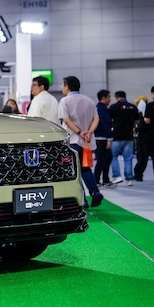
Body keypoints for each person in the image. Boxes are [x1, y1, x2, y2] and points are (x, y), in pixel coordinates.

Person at [59, 76, 103, 208]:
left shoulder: (65, 101)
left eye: (63, 85)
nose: (61, 88)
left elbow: (66, 120)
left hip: (73, 140)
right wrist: (89, 132)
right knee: (85, 168)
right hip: (87, 142)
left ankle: (82, 200)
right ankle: (95, 192)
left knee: (74, 171)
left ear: (67, 86)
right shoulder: (89, 100)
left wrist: (79, 132)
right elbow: (96, 119)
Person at [108, 91, 140, 186]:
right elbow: (137, 121)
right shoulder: (133, 107)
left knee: (114, 156)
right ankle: (129, 178)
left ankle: (117, 176)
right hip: (129, 136)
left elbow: (109, 120)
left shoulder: (113, 107)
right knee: (128, 158)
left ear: (117, 98)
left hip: (116, 136)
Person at [94, 90, 113, 187]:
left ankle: (105, 179)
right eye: (109, 97)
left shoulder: (96, 108)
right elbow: (106, 124)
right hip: (103, 138)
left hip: (97, 137)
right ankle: (97, 180)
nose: (110, 99)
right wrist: (109, 138)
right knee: (102, 160)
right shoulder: (103, 109)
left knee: (106, 158)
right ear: (103, 98)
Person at [133, 95, 150, 181]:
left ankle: (138, 173)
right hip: (145, 137)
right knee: (143, 156)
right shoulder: (144, 112)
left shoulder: (143, 114)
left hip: (143, 137)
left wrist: (136, 129)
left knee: (142, 156)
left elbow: (142, 126)